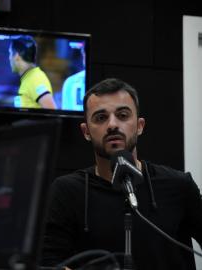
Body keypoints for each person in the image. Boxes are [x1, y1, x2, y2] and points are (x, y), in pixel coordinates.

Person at [40, 78, 202, 270]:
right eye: (101, 118)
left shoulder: (179, 185)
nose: (112, 125)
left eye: (123, 115)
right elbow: (48, 262)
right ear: (86, 131)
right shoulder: (66, 192)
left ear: (140, 126)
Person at [8, 35, 57, 109]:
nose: (9, 58)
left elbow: (51, 113)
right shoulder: (29, 77)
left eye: (10, 53)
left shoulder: (35, 79)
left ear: (17, 56)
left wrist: (24, 121)